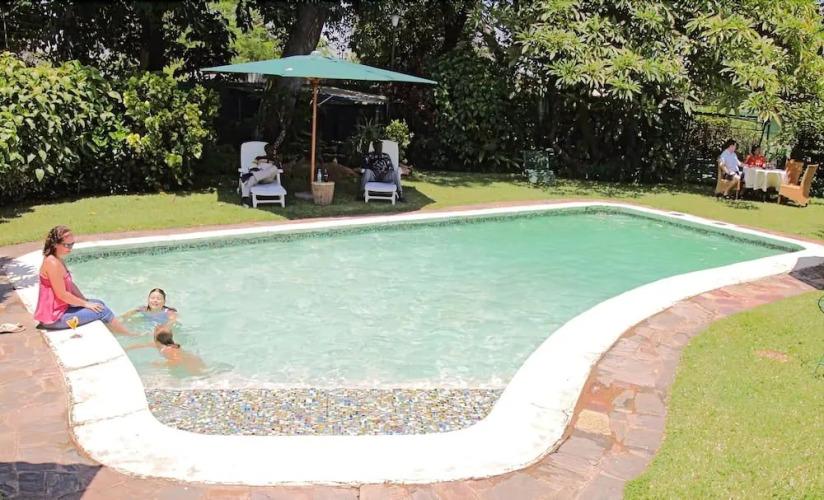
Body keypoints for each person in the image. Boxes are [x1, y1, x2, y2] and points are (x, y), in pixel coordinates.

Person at [34, 225, 138, 335]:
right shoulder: (52, 263)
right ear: (55, 244)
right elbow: (62, 295)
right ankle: (129, 335)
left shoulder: (57, 259)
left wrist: (85, 301)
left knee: (98, 303)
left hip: (61, 310)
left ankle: (115, 331)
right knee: (102, 311)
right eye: (67, 245)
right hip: (54, 318)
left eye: (72, 244)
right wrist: (85, 304)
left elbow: (70, 285)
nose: (70, 248)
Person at [126, 325, 206, 375]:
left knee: (198, 375)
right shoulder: (157, 345)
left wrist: (161, 364)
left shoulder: (168, 349)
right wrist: (125, 348)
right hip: (191, 360)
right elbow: (140, 346)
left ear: (156, 338)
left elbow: (177, 360)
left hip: (190, 363)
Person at [239, 128, 286, 208]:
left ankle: (252, 175)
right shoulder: (258, 158)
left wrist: (274, 157)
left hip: (268, 177)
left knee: (274, 168)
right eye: (268, 149)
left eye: (271, 149)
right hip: (259, 176)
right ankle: (245, 199)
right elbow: (253, 166)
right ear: (265, 151)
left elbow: (278, 166)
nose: (270, 151)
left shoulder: (276, 159)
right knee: (251, 179)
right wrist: (255, 169)